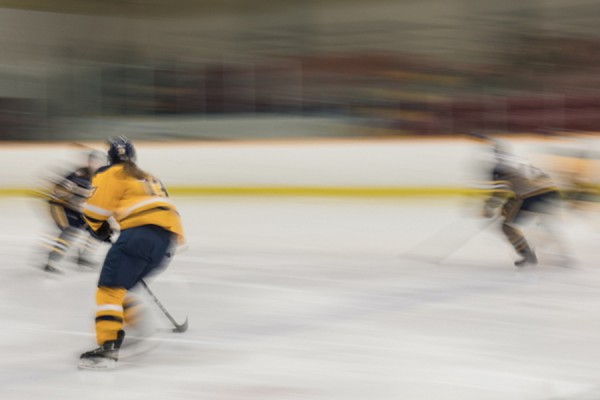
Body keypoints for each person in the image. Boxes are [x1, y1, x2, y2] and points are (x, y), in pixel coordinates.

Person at [78, 136, 184, 370]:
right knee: (123, 288)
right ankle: (142, 329)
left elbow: (94, 211)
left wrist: (98, 229)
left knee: (109, 290)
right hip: (167, 240)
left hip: (139, 236)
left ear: (110, 158)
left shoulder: (110, 172)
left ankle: (108, 347)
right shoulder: (148, 176)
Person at [479, 137, 566, 267]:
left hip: (531, 195)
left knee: (507, 226)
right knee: (541, 220)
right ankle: (560, 251)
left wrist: (489, 208)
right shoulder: (519, 161)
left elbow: (500, 191)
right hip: (551, 192)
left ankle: (527, 255)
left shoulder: (498, 167)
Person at [42, 149, 106, 273]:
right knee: (71, 231)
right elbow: (60, 190)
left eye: (98, 161)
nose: (95, 164)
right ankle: (52, 262)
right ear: (88, 161)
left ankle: (83, 257)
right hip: (65, 207)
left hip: (80, 209)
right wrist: (74, 193)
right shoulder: (79, 174)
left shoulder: (102, 177)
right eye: (93, 161)